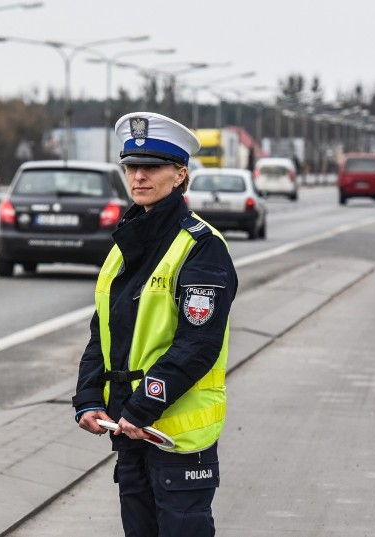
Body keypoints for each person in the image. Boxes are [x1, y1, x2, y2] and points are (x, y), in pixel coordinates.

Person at [72, 112, 238, 537]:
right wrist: (88, 397)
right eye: (131, 166)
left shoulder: (202, 247)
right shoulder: (125, 244)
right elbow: (102, 333)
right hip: (129, 430)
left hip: (177, 438)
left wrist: (142, 406)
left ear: (181, 174)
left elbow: (197, 344)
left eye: (153, 167)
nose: (139, 176)